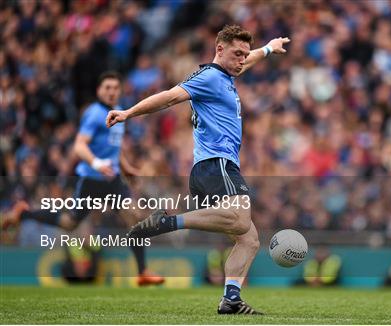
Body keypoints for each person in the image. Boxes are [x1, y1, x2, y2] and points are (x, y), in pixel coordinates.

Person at [106, 25, 290, 314]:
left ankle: (231, 299)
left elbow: (249, 59)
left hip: (212, 168)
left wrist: (268, 48)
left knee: (249, 240)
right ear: (219, 49)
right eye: (237, 53)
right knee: (241, 221)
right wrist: (129, 113)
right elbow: (168, 96)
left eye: (244, 54)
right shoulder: (210, 78)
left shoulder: (227, 74)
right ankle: (166, 222)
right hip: (216, 165)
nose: (242, 60)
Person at [3, 71, 164, 286]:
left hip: (113, 181)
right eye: (107, 87)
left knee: (134, 218)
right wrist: (97, 163)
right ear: (99, 91)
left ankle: (143, 271)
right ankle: (24, 213)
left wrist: (127, 168)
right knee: (70, 223)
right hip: (91, 180)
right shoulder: (95, 114)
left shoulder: (119, 114)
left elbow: (113, 148)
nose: (112, 92)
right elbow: (79, 145)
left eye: (115, 88)